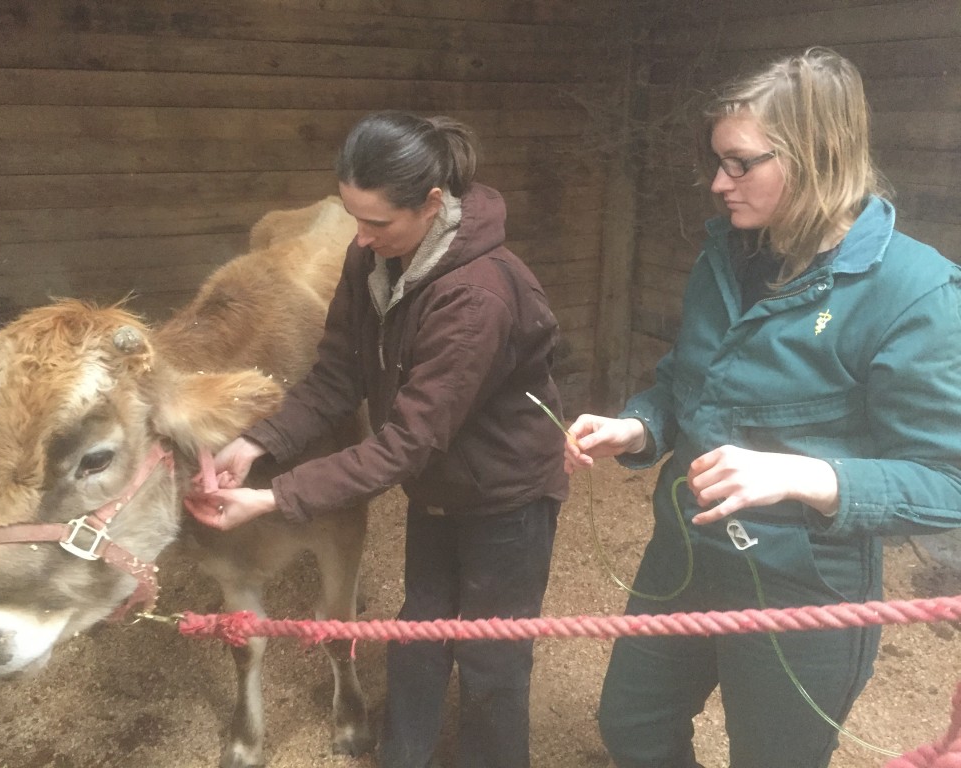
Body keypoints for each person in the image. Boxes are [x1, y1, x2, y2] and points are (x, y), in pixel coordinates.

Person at [564, 47, 961, 768]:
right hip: (685, 551)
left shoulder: (915, 293)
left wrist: (800, 476)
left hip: (805, 580)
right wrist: (638, 426)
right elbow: (690, 379)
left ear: (817, 155)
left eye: (741, 162)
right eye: (717, 162)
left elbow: (948, 481)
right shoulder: (726, 253)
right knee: (633, 722)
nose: (720, 184)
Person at [188, 110, 568, 768]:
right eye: (352, 217)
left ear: (431, 204)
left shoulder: (477, 297)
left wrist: (274, 498)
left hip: (507, 496)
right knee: (418, 630)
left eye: (376, 223)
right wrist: (260, 443)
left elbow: (406, 443)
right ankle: (403, 757)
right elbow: (337, 374)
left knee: (492, 654)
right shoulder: (375, 263)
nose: (360, 237)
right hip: (440, 490)